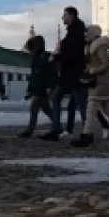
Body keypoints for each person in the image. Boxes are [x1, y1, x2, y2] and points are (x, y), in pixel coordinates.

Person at [73, 25, 109, 147]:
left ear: (93, 33)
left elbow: (106, 64)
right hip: (99, 82)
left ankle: (86, 136)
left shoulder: (99, 46)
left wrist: (92, 71)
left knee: (91, 111)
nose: (85, 35)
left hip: (101, 82)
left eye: (87, 33)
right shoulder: (91, 46)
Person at [43, 7, 87, 141]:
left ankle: (87, 132)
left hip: (74, 73)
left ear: (72, 16)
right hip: (68, 73)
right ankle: (56, 129)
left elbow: (72, 54)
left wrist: (56, 57)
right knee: (58, 99)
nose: (63, 18)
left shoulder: (77, 32)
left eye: (65, 15)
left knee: (81, 104)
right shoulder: (73, 31)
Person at [19, 35, 56, 138]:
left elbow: (50, 73)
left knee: (34, 108)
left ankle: (29, 131)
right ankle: (58, 126)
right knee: (46, 109)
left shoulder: (44, 57)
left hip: (42, 88)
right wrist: (30, 89)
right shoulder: (37, 57)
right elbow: (34, 75)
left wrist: (49, 86)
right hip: (39, 87)